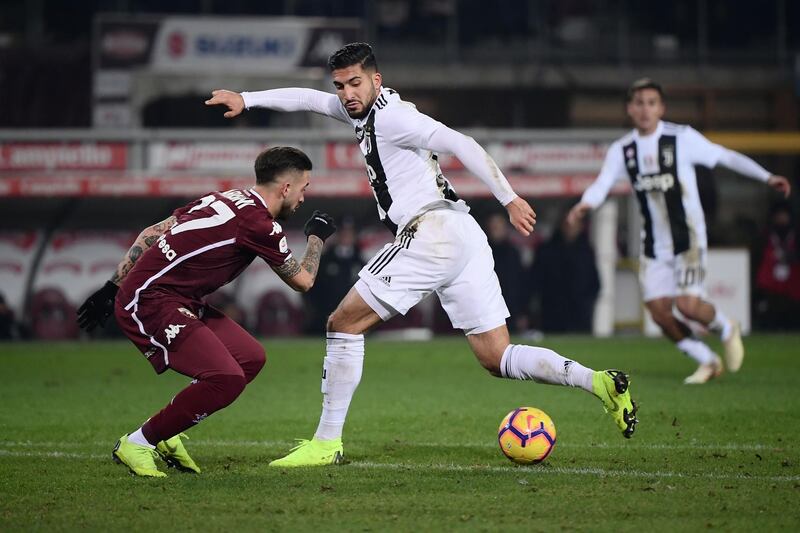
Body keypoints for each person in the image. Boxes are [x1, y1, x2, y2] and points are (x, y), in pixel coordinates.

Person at [206, 42, 638, 467]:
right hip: (461, 233)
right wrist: (247, 99)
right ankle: (598, 382)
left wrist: (508, 197)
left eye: (355, 83)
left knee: (343, 323)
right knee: (496, 356)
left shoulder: (394, 117)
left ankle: (326, 442)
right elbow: (307, 99)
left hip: (431, 233)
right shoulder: (362, 109)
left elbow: (460, 141)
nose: (346, 94)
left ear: (376, 80)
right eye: (340, 85)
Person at [76, 147, 337, 477]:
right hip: (152, 300)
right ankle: (138, 443)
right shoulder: (260, 225)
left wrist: (111, 286)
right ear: (286, 188)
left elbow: (151, 233)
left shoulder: (224, 198)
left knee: (250, 357)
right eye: (304, 188)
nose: (303, 197)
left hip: (180, 299)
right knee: (226, 378)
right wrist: (317, 237)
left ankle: (168, 432)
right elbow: (303, 281)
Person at [568, 78, 792, 384]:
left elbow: (725, 156)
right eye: (639, 103)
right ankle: (708, 360)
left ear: (661, 108)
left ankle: (727, 328)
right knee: (659, 312)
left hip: (687, 239)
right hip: (653, 245)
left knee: (687, 306)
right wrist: (585, 205)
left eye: (651, 103)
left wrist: (766, 177)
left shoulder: (681, 138)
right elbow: (603, 183)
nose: (645, 109)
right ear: (629, 109)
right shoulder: (623, 150)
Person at [532, 207, 600, 333]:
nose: (570, 228)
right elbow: (536, 280)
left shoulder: (586, 251)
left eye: (575, 223)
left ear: (581, 226)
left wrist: (587, 303)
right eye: (567, 223)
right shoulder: (547, 250)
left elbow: (594, 282)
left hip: (580, 315)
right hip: (553, 313)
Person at [303, 217, 365, 333]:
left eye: (350, 232)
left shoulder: (360, 262)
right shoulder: (325, 260)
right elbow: (309, 286)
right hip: (324, 318)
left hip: (352, 318)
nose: (346, 236)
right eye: (343, 232)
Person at [754, 201, 800, 330]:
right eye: (779, 215)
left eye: (784, 215)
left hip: (793, 280)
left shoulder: (796, 234)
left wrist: (790, 257)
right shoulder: (766, 235)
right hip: (771, 282)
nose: (781, 218)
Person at [485, 213, 528, 333]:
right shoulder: (482, 253)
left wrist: (522, 312)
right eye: (493, 227)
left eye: (499, 227)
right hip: (489, 310)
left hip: (512, 310)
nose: (496, 230)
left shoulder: (513, 253)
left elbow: (521, 284)